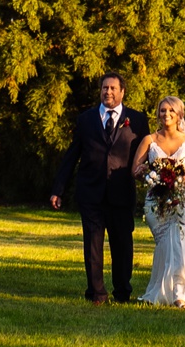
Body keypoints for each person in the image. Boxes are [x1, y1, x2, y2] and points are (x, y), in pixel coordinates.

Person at [48, 73, 146, 304]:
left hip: (121, 193)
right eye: (104, 88)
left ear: (122, 92)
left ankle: (122, 292)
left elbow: (146, 155)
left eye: (113, 88)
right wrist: (58, 189)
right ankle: (97, 293)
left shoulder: (138, 120)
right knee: (92, 243)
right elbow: (72, 155)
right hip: (90, 192)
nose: (108, 92)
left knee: (122, 244)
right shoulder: (86, 119)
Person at [131, 97, 185, 307]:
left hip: (184, 197)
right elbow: (135, 170)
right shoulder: (149, 140)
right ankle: (163, 291)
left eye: (172, 111)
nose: (167, 114)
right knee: (166, 242)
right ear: (158, 113)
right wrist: (144, 173)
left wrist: (180, 179)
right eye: (163, 110)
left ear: (179, 115)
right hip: (156, 200)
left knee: (182, 239)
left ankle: (182, 294)